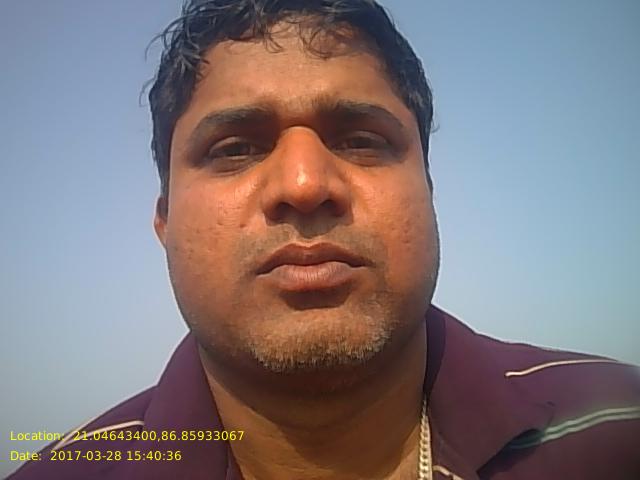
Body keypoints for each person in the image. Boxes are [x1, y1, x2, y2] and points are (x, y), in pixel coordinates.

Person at [10, 0, 639, 479]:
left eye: (361, 140)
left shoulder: (616, 428)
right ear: (165, 223)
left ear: (428, 192)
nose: (305, 184)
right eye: (235, 148)